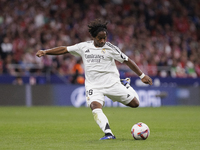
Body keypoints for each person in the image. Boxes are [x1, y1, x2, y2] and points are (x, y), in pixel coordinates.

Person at [36, 19, 153, 140]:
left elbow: (127, 60)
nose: (102, 41)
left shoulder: (111, 48)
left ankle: (126, 85)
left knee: (135, 104)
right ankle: (108, 133)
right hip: (94, 86)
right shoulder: (83, 47)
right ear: (93, 37)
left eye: (104, 38)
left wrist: (142, 75)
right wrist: (45, 52)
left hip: (112, 84)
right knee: (94, 106)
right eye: (99, 38)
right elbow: (65, 49)